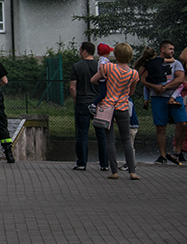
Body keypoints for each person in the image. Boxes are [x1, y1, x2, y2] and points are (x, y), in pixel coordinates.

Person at [90, 41, 140, 179]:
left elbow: (93, 80)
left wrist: (104, 81)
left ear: (115, 55)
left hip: (107, 106)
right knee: (126, 140)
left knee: (110, 139)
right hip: (123, 107)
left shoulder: (108, 68)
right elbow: (131, 93)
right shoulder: (134, 73)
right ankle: (132, 171)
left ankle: (114, 171)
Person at [144, 40, 185, 164]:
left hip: (174, 97)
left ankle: (177, 151)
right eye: (170, 49)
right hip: (158, 98)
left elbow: (180, 79)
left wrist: (165, 87)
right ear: (162, 49)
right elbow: (144, 79)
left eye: (173, 49)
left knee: (182, 123)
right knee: (161, 127)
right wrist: (154, 88)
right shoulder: (153, 63)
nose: (173, 51)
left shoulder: (176, 63)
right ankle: (162, 155)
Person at [69, 41, 108, 171]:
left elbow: (72, 87)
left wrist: (76, 100)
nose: (80, 52)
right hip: (98, 102)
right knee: (101, 133)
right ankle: (104, 163)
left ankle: (82, 163)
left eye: (80, 50)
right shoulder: (100, 66)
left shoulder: (77, 66)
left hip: (82, 102)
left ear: (85, 51)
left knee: (82, 133)